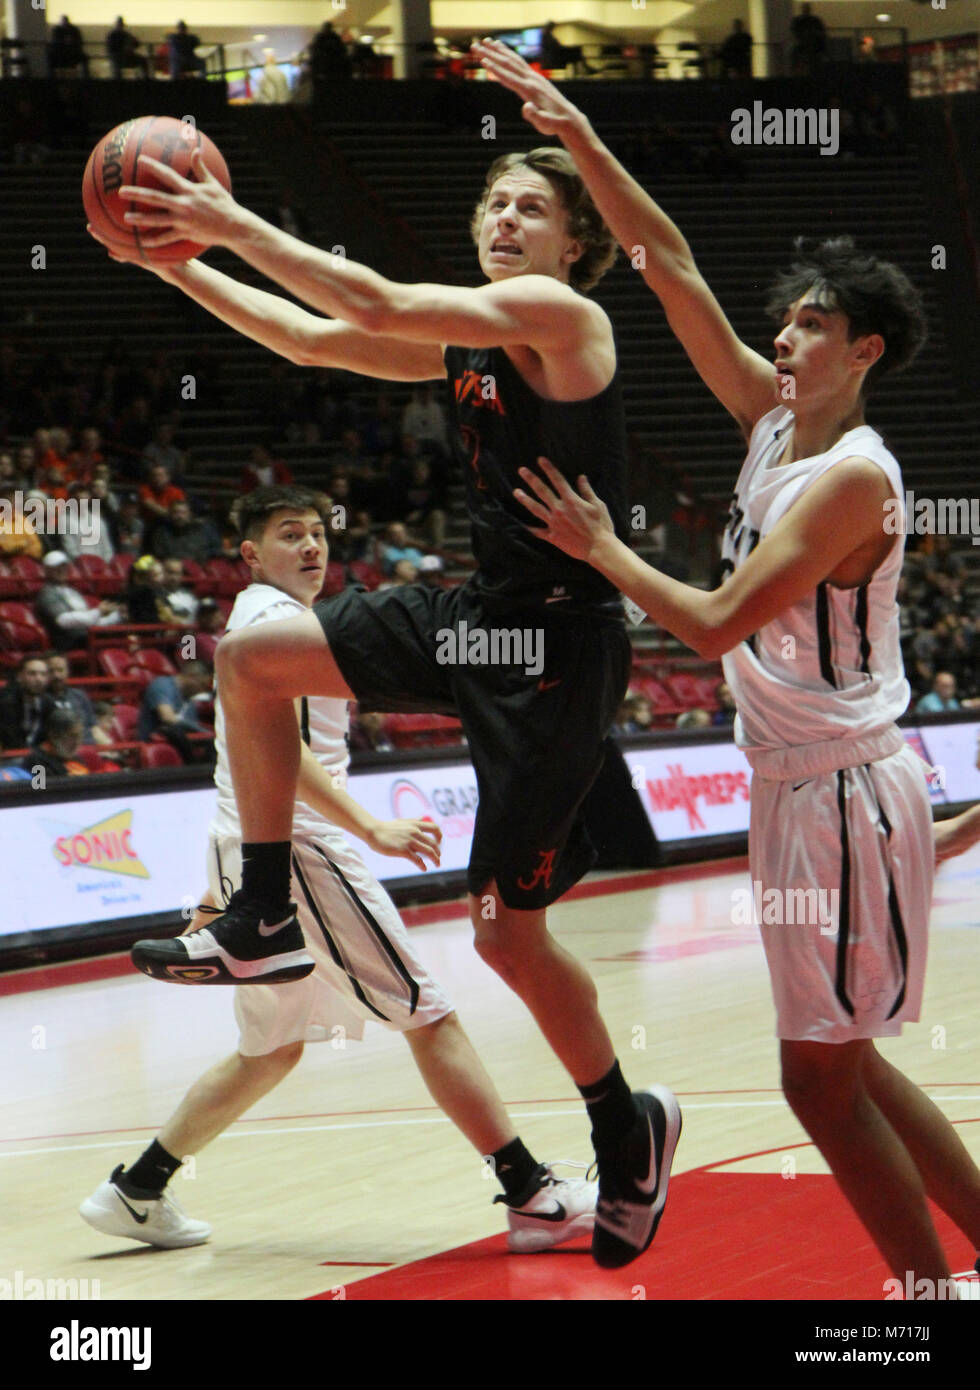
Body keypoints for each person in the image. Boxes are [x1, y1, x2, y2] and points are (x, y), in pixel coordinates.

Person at [90, 133, 682, 1271]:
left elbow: (367, 290)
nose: (505, 220)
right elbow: (313, 334)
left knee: (507, 933)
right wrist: (175, 267)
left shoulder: (567, 323)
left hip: (558, 642)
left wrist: (219, 219)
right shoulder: (465, 334)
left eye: (530, 209)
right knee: (252, 658)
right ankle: (262, 908)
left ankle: (621, 1122)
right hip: (478, 611)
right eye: (493, 204)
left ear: (575, 245)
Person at [474, 41, 980, 1295]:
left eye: (813, 326)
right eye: (786, 321)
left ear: (863, 351)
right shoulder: (770, 426)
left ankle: (920, 1302)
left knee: (814, 1081)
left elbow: (710, 624)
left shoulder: (852, 473)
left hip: (840, 787)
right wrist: (579, 136)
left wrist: (601, 548)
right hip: (797, 788)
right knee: (846, 1064)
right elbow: (668, 266)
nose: (785, 337)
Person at [80, 485, 596, 1253]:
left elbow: (247, 759)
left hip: (250, 848)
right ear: (251, 554)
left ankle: (137, 1189)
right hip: (302, 850)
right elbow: (284, 753)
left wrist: (218, 889)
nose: (312, 547)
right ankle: (532, 1195)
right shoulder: (276, 622)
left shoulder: (263, 621)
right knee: (427, 1010)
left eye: (319, 533)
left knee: (271, 1051)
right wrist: (371, 822)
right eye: (291, 535)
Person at [36, 551, 123, 651]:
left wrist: (117, 615)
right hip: (68, 640)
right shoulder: (47, 593)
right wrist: (99, 612)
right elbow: (63, 620)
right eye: (56, 568)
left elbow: (92, 621)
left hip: (86, 636)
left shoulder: (73, 592)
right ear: (47, 570)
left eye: (64, 566)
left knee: (121, 635)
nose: (61, 570)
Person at [137, 657, 211, 761]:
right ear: (192, 677)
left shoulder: (189, 699)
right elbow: (168, 718)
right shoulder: (162, 685)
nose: (202, 691)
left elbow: (192, 728)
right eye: (202, 685)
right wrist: (204, 732)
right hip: (156, 748)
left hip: (181, 749)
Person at [0, 656, 54, 750]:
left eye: (43, 674)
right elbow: (10, 741)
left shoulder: (48, 703)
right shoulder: (5, 703)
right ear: (20, 677)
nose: (39, 679)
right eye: (32, 674)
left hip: (38, 759)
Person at [22, 708, 90, 779]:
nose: (77, 742)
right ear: (54, 736)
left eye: (80, 736)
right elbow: (40, 788)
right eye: (72, 736)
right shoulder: (36, 762)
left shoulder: (75, 758)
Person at [46, 652, 95, 740]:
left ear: (68, 671)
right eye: (51, 671)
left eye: (60, 670)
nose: (56, 675)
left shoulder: (79, 696)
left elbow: (94, 728)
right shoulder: (41, 700)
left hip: (89, 747)